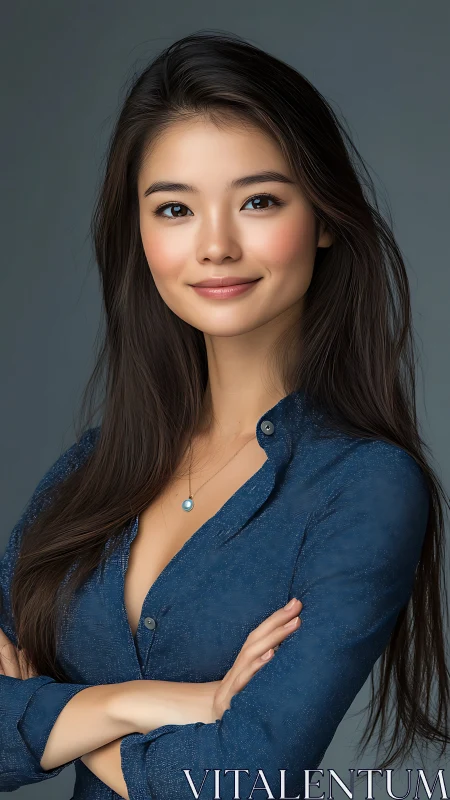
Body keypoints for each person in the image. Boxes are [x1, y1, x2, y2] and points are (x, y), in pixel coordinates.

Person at [0, 30, 449, 800]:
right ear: (139, 234)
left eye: (259, 201)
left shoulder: (366, 488)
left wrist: (55, 723)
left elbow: (236, 781)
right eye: (174, 208)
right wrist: (162, 703)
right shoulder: (92, 468)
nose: (214, 245)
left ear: (326, 217)